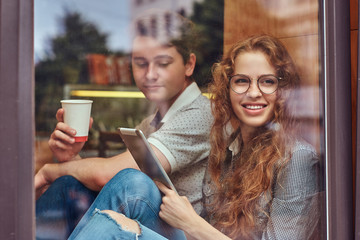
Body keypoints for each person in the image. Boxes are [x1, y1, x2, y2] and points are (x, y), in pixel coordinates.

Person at [70, 35, 322, 240]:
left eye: (267, 82)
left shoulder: (297, 158)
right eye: (242, 81)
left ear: (283, 91)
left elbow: (197, 227)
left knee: (114, 226)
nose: (253, 92)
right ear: (227, 89)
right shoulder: (229, 147)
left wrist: (190, 222)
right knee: (130, 183)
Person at [35, 9, 213, 239]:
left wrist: (51, 171)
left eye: (163, 63)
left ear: (189, 65)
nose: (150, 74)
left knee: (132, 183)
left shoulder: (201, 114)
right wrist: (71, 158)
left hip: (190, 234)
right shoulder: (151, 122)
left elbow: (111, 177)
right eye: (140, 63)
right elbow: (108, 184)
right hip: (151, 226)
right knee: (71, 184)